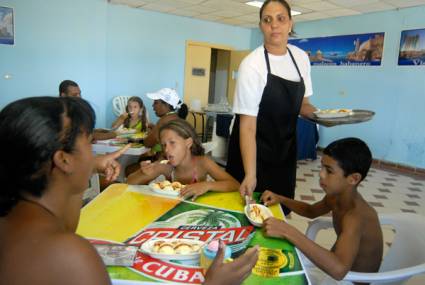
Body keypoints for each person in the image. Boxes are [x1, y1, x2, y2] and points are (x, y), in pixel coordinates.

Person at [0, 97, 258, 285]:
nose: (96, 156)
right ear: (63, 161)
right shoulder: (70, 256)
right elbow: (131, 181)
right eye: (90, 144)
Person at [225, 0, 317, 214]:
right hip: (252, 149)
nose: (274, 25)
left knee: (279, 211)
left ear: (290, 23)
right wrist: (250, 173)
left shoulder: (301, 58)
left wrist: (322, 117)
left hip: (283, 149)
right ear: (261, 26)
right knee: (249, 212)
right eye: (267, 20)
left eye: (280, 18)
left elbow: (303, 104)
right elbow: (247, 126)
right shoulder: (252, 64)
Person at [260, 138, 383, 284]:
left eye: (329, 171)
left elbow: (339, 270)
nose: (321, 174)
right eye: (322, 167)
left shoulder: (354, 216)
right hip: (335, 269)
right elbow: (310, 211)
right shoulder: (336, 197)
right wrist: (281, 199)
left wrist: (289, 231)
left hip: (350, 280)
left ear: (353, 179)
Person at [127, 119, 239, 200]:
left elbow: (234, 184)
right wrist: (143, 173)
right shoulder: (166, 166)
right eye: (163, 145)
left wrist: (207, 185)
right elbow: (129, 182)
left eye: (172, 143)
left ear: (188, 143)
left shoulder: (203, 163)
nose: (166, 150)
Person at [125, 87, 189, 175]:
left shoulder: (163, 120)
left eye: (156, 103)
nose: (152, 106)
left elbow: (148, 143)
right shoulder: (176, 117)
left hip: (167, 164)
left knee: (128, 169)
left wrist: (132, 140)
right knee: (141, 159)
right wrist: (154, 128)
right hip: (179, 163)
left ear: (166, 105)